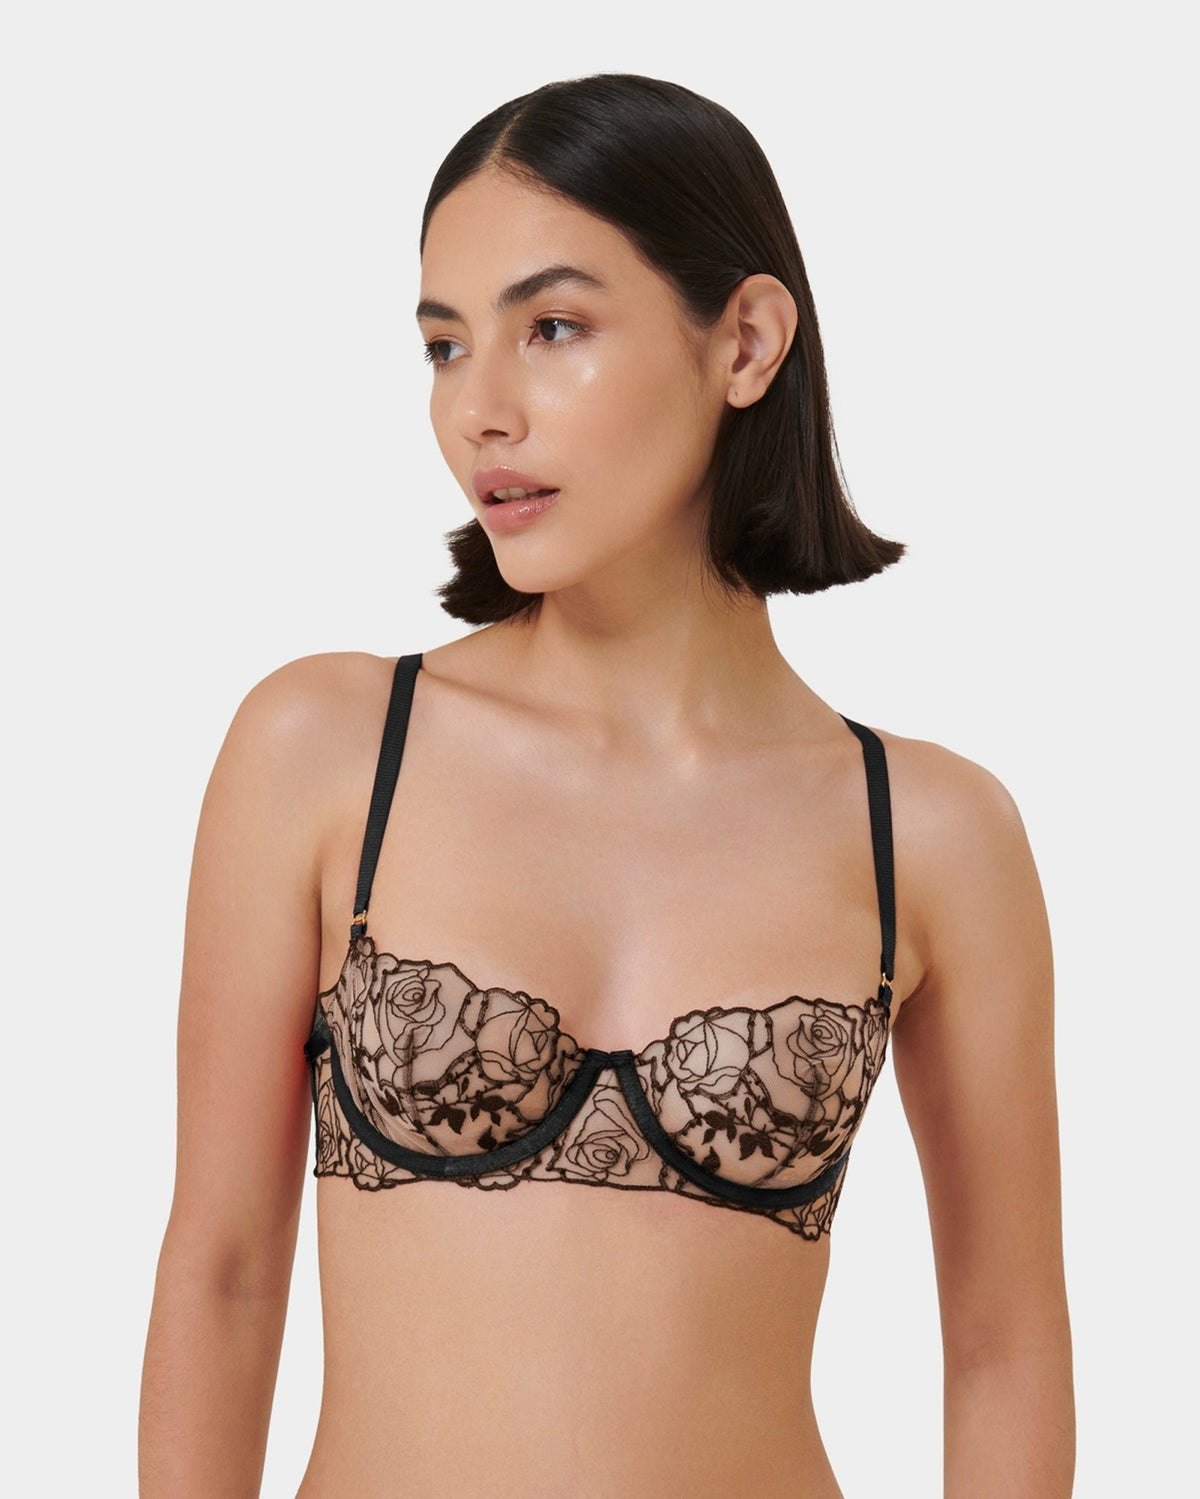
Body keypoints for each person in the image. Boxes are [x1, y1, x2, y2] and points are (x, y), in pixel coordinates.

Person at [138, 72, 1074, 1499]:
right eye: (445, 347)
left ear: (745, 342)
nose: (480, 411)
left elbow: (1005, 1345)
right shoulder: (326, 749)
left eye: (553, 329)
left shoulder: (933, 834)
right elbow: (221, 1270)